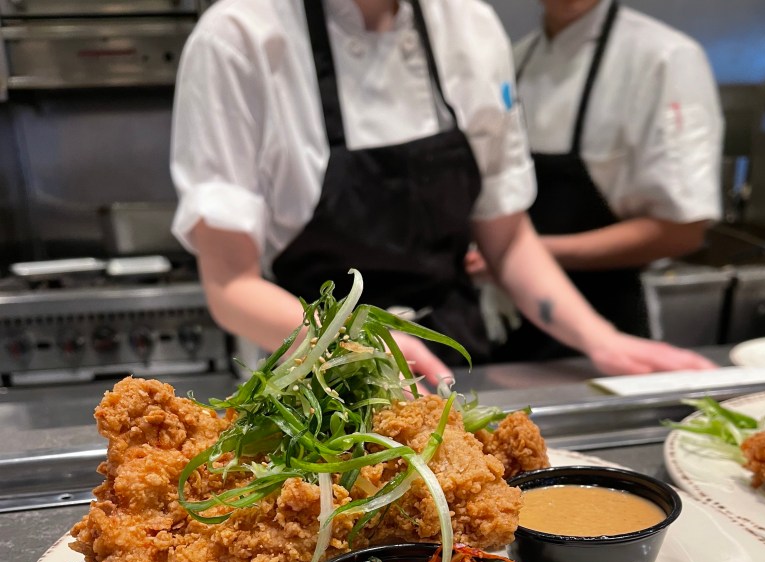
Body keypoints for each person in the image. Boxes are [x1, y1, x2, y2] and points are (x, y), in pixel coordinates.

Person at [170, 0, 715, 385]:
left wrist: (600, 339)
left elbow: (507, 239)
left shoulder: (469, 25)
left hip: (451, 366)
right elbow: (231, 283)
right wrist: (359, 350)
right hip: (307, 376)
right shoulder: (239, 37)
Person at [506, 0, 724, 357]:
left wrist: (518, 254)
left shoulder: (664, 57)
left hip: (611, 317)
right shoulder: (516, 60)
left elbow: (683, 230)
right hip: (510, 322)